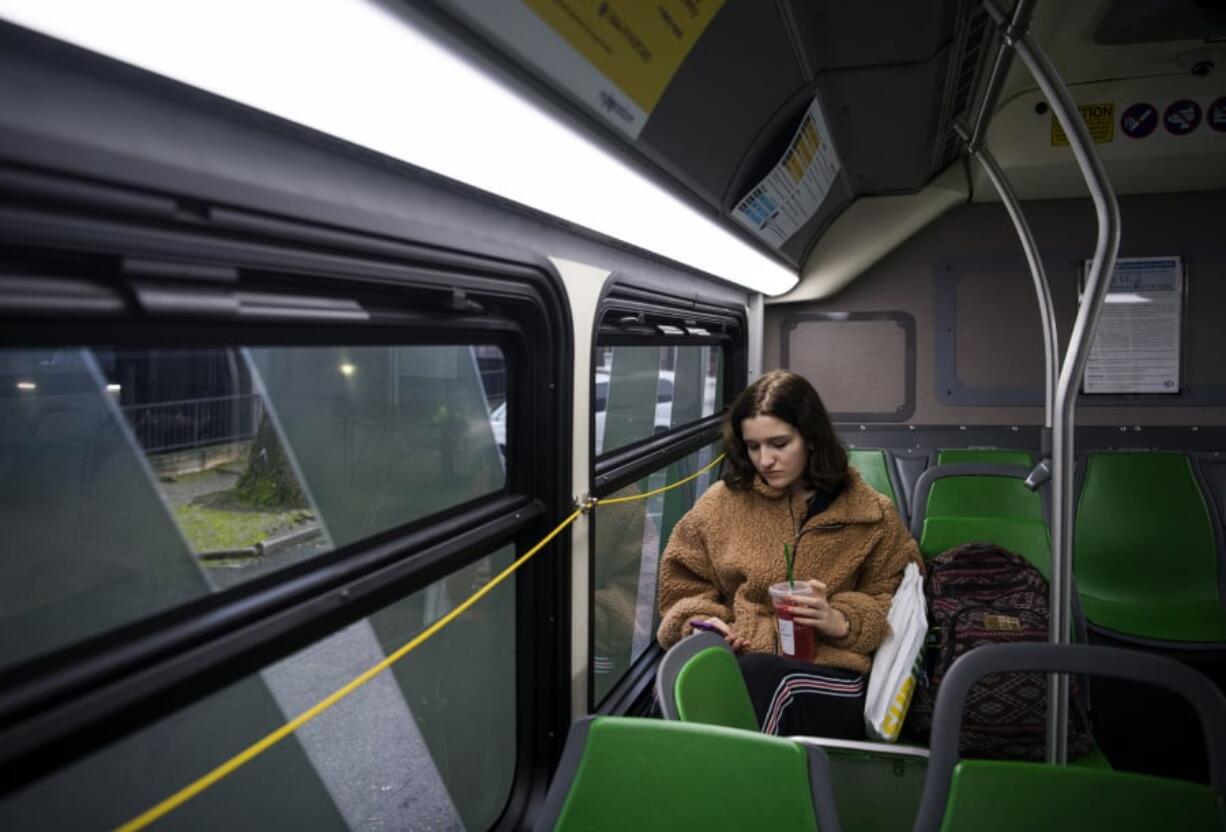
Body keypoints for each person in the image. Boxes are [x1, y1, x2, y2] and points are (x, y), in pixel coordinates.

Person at [657, 370, 920, 738]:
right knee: (679, 686)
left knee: (769, 684)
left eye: (779, 444)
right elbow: (682, 586)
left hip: (835, 669)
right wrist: (703, 624)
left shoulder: (871, 515)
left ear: (811, 439)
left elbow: (896, 600)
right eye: (753, 447)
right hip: (745, 655)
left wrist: (840, 619)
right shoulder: (720, 505)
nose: (765, 460)